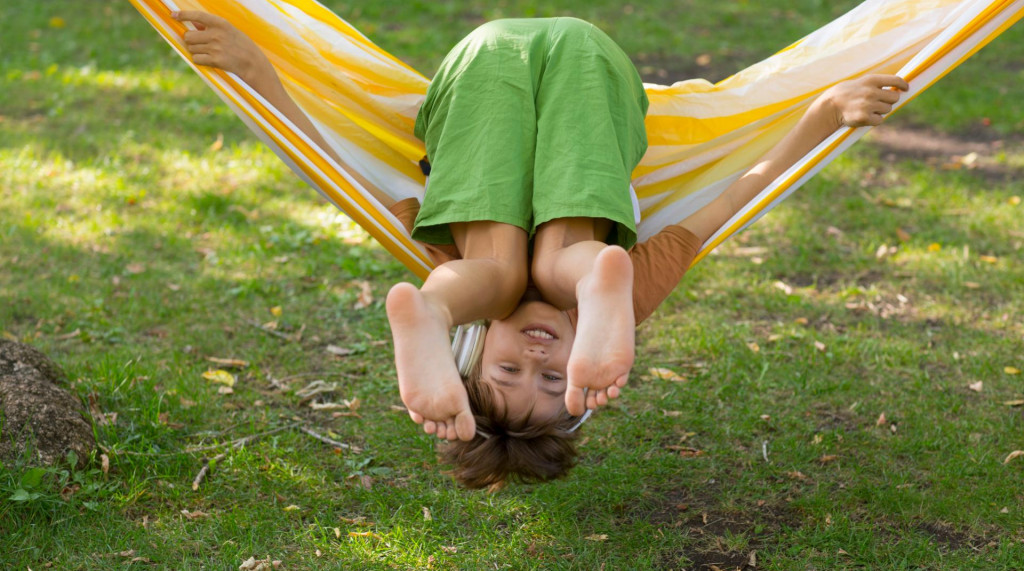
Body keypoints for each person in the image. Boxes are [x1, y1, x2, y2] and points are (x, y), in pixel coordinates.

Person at [171, 10, 907, 488]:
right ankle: (578, 276)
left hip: (480, 87)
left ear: (472, 356)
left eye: (509, 370)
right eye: (554, 379)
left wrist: (258, 73)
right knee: (556, 271)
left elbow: (340, 173)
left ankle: (435, 311)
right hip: (590, 80)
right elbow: (730, 202)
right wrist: (823, 113)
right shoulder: (633, 293)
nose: (538, 355)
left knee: (494, 276)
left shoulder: (466, 281)